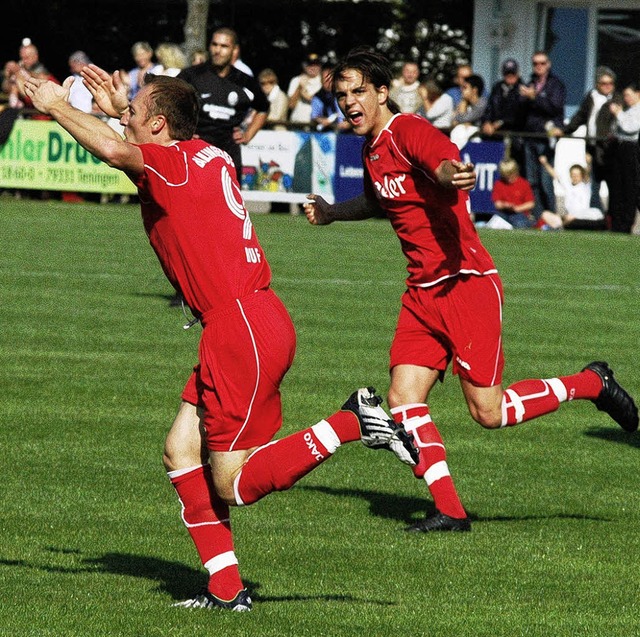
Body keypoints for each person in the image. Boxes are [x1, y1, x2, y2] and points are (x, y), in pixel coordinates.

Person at [24, 65, 417, 611]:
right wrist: (118, 111)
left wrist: (55, 104)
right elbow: (141, 143)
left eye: (135, 111)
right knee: (179, 450)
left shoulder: (171, 164)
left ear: (159, 125)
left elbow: (118, 153)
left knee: (233, 482)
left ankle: (351, 422)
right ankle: (227, 590)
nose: (126, 114)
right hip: (251, 320)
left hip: (240, 330)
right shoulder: (202, 153)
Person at [303, 47, 638, 533]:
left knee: (489, 411)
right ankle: (451, 510)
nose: (349, 103)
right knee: (403, 398)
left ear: (381, 92)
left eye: (358, 92)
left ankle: (591, 383)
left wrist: (451, 173)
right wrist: (334, 212)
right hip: (422, 292)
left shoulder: (409, 130)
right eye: (341, 96)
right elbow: (381, 200)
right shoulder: (371, 148)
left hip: (465, 284)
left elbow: (443, 163)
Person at [179, 27, 269, 182]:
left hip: (228, 153)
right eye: (215, 45)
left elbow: (263, 108)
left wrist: (247, 134)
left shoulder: (245, 81)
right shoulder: (191, 75)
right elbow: (168, 101)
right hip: (195, 148)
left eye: (224, 46)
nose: (218, 50)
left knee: (228, 204)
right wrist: (180, 131)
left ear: (235, 50)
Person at [555, 66, 621, 210]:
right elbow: (580, 116)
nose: (607, 86)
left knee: (613, 182)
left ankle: (613, 216)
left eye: (610, 83)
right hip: (592, 146)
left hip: (609, 148)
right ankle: (595, 212)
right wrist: (565, 130)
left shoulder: (617, 99)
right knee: (594, 181)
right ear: (597, 84)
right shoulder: (592, 96)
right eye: (604, 83)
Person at [519, 51, 566, 219]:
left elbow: (555, 108)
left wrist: (535, 97)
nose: (539, 66)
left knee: (546, 179)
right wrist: (524, 98)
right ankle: (538, 217)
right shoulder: (530, 82)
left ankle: (552, 214)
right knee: (532, 180)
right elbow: (522, 110)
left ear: (548, 64)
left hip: (546, 139)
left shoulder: (556, 85)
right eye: (535, 63)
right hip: (530, 136)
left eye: (542, 63)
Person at [480, 58, 527, 166]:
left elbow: (518, 113)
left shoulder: (523, 89)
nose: (510, 76)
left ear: (518, 73)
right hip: (494, 138)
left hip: (513, 139)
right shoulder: (497, 87)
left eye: (513, 73)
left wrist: (500, 123)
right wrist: (486, 122)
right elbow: (489, 108)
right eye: (507, 73)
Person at [607, 82, 640, 233]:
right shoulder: (629, 110)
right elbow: (617, 129)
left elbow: (630, 128)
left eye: (628, 95)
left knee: (629, 187)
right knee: (618, 186)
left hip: (631, 149)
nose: (625, 98)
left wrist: (618, 113)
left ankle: (626, 222)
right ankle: (617, 222)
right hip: (619, 148)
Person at [539, 159, 605, 230]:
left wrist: (589, 163)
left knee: (596, 213)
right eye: (573, 175)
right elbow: (555, 175)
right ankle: (562, 225)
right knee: (545, 214)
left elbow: (588, 172)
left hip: (583, 215)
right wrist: (545, 163)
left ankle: (561, 227)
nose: (575, 177)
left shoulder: (585, 185)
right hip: (570, 215)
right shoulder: (568, 186)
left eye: (577, 175)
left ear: (581, 175)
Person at [490, 158, 535, 228]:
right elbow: (497, 204)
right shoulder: (499, 184)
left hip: (520, 214)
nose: (509, 178)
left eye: (511, 175)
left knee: (520, 224)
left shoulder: (523, 183)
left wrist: (517, 208)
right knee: (494, 224)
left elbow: (530, 203)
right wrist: (505, 205)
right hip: (504, 213)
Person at [449, 73, 487, 149]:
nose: (462, 90)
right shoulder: (465, 103)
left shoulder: (482, 104)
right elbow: (453, 120)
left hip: (480, 142)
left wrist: (463, 104)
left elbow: (465, 118)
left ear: (474, 90)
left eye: (465, 88)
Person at [311, 63, 350, 132]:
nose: (328, 83)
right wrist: (321, 120)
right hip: (327, 133)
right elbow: (314, 116)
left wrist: (349, 123)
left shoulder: (345, 94)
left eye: (330, 80)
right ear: (321, 80)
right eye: (325, 80)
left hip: (347, 133)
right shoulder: (317, 97)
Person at [287, 53, 323, 124]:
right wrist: (299, 87)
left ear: (320, 66)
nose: (313, 67)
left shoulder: (323, 82)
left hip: (316, 125)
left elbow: (324, 104)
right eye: (310, 64)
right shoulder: (296, 80)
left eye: (316, 65)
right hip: (297, 123)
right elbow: (291, 105)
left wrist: (307, 97)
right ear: (304, 66)